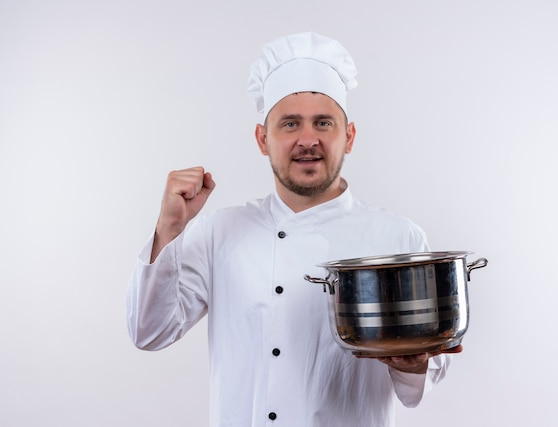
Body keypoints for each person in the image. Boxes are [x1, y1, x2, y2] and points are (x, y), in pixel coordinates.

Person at [127, 32, 461, 426]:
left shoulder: (398, 239)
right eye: (290, 124)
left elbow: (416, 389)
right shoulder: (221, 231)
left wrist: (415, 363)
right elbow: (150, 333)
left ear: (349, 137)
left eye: (324, 123)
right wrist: (170, 227)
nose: (308, 140)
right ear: (262, 139)